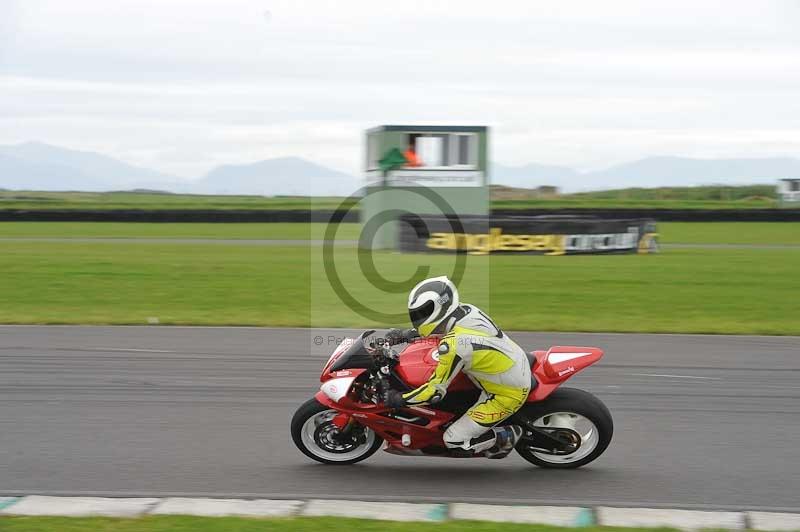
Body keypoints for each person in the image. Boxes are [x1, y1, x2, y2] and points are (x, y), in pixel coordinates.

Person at [383, 276, 531, 459]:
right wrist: (406, 335)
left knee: (454, 440)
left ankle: (505, 436)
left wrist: (399, 399)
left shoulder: (455, 345)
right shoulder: (465, 310)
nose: (418, 318)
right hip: (509, 362)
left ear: (441, 308)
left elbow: (434, 393)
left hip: (505, 393)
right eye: (417, 313)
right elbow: (441, 330)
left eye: (424, 312)